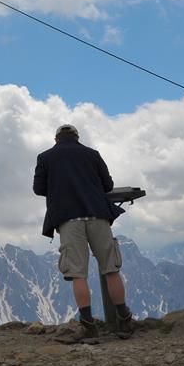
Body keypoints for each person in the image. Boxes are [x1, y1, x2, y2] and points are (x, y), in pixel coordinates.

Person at [33, 124, 133, 338]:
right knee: (111, 268)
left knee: (78, 273)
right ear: (77, 137)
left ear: (56, 139)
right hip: (98, 215)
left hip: (68, 219)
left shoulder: (45, 157)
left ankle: (88, 325)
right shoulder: (92, 154)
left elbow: (38, 189)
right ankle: (124, 320)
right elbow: (108, 185)